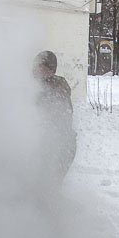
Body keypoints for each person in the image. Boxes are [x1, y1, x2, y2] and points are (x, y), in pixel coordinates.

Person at [33, 50, 76, 181]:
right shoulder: (31, 83)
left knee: (49, 180)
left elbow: (58, 111)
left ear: (51, 70)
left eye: (41, 67)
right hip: (40, 140)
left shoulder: (59, 85)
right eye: (36, 67)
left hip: (61, 141)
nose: (37, 71)